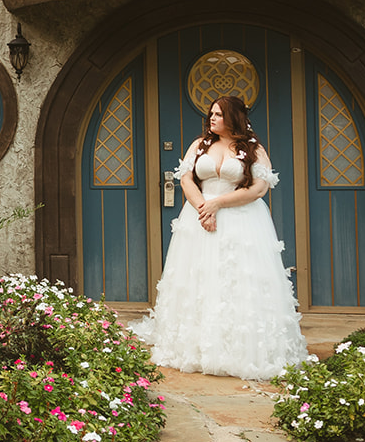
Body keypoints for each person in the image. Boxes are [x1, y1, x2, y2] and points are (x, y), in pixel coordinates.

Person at [129, 94, 309, 379]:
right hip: (198, 218)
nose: (211, 119)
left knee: (236, 278)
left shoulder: (252, 148)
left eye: (218, 115)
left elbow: (259, 189)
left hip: (242, 219)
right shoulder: (200, 146)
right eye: (210, 114)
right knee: (199, 277)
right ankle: (195, 347)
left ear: (234, 117)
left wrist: (218, 204)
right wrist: (204, 207)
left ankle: (238, 349)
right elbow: (186, 179)